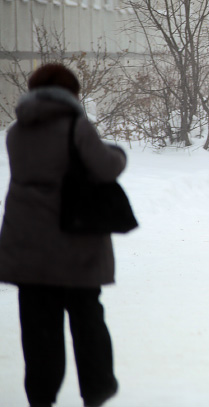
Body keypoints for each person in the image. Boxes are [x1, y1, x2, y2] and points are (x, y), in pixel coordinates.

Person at [0, 64, 125, 407]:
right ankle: (96, 390)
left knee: (39, 330)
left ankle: (41, 397)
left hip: (28, 249)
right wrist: (118, 153)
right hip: (75, 246)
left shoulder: (15, 132)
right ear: (70, 93)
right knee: (87, 321)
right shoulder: (76, 127)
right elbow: (106, 167)